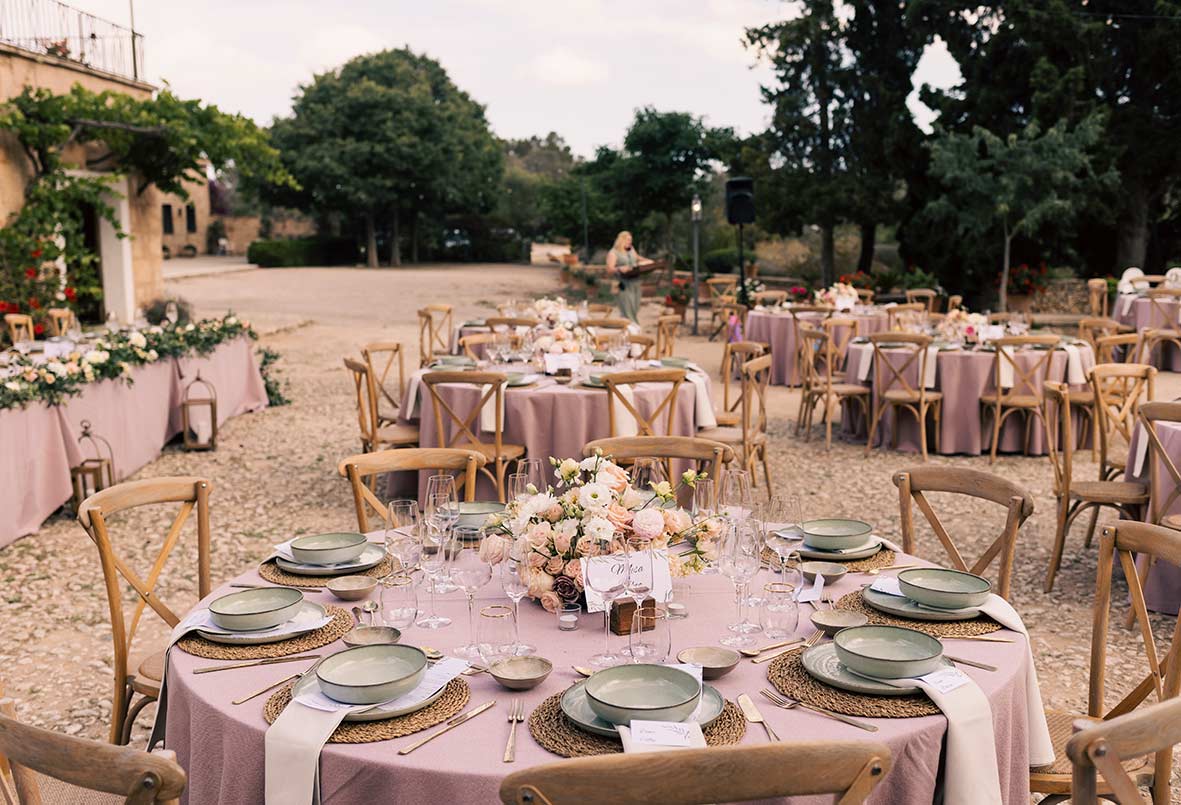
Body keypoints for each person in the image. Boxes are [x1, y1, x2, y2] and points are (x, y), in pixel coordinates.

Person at [605, 231, 651, 324]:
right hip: (623, 284)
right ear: (621, 240)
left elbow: (637, 258)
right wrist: (619, 268)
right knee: (627, 309)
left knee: (635, 308)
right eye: (628, 240)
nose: (630, 242)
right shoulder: (613, 252)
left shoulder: (631, 249)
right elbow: (609, 269)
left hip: (636, 283)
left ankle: (630, 328)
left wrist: (649, 261)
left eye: (631, 240)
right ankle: (634, 328)